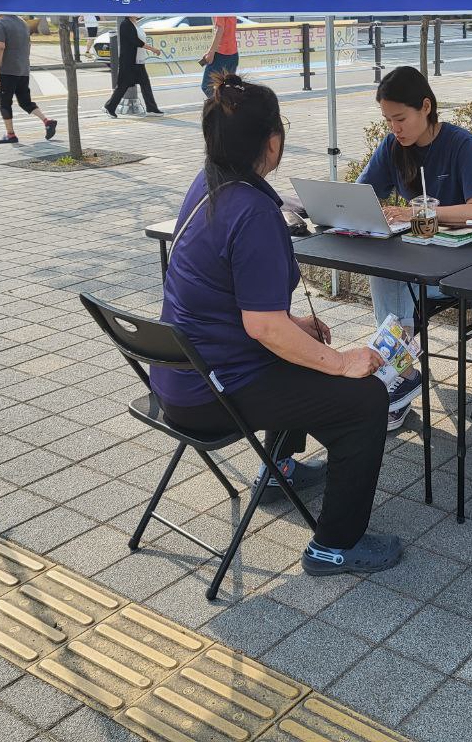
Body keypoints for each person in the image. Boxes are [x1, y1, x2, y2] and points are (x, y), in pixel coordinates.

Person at [150, 73, 400, 577]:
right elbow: (263, 328)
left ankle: (278, 470)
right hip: (213, 394)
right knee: (366, 398)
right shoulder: (253, 211)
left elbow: (243, 308)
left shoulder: (209, 185)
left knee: (302, 350)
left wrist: (294, 326)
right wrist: (344, 362)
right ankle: (335, 545)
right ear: (273, 141)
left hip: (176, 379)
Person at [357, 66, 472, 429]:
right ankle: (400, 372)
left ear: (426, 107)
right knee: (389, 271)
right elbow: (361, 194)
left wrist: (419, 212)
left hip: (461, 263)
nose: (394, 128)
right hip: (415, 258)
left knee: (393, 278)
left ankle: (398, 374)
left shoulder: (460, 144)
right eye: (387, 120)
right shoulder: (393, 147)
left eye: (400, 118)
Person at [0, 13, 57, 144]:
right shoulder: (22, 23)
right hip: (23, 69)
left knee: (5, 103)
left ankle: (10, 135)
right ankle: (46, 121)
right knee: (25, 101)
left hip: (7, 70)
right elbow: (29, 45)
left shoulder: (1, 23)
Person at [105, 16, 164, 117]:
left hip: (138, 61)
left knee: (145, 84)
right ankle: (110, 107)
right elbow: (136, 41)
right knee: (123, 86)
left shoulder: (136, 24)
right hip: (129, 62)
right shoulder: (125, 24)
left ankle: (151, 108)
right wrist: (153, 49)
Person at [201, 15, 240, 99]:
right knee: (228, 87)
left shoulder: (218, 7)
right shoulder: (230, 6)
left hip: (221, 55)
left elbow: (220, 29)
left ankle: (221, 107)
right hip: (233, 53)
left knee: (207, 86)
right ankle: (230, 109)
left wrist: (211, 53)